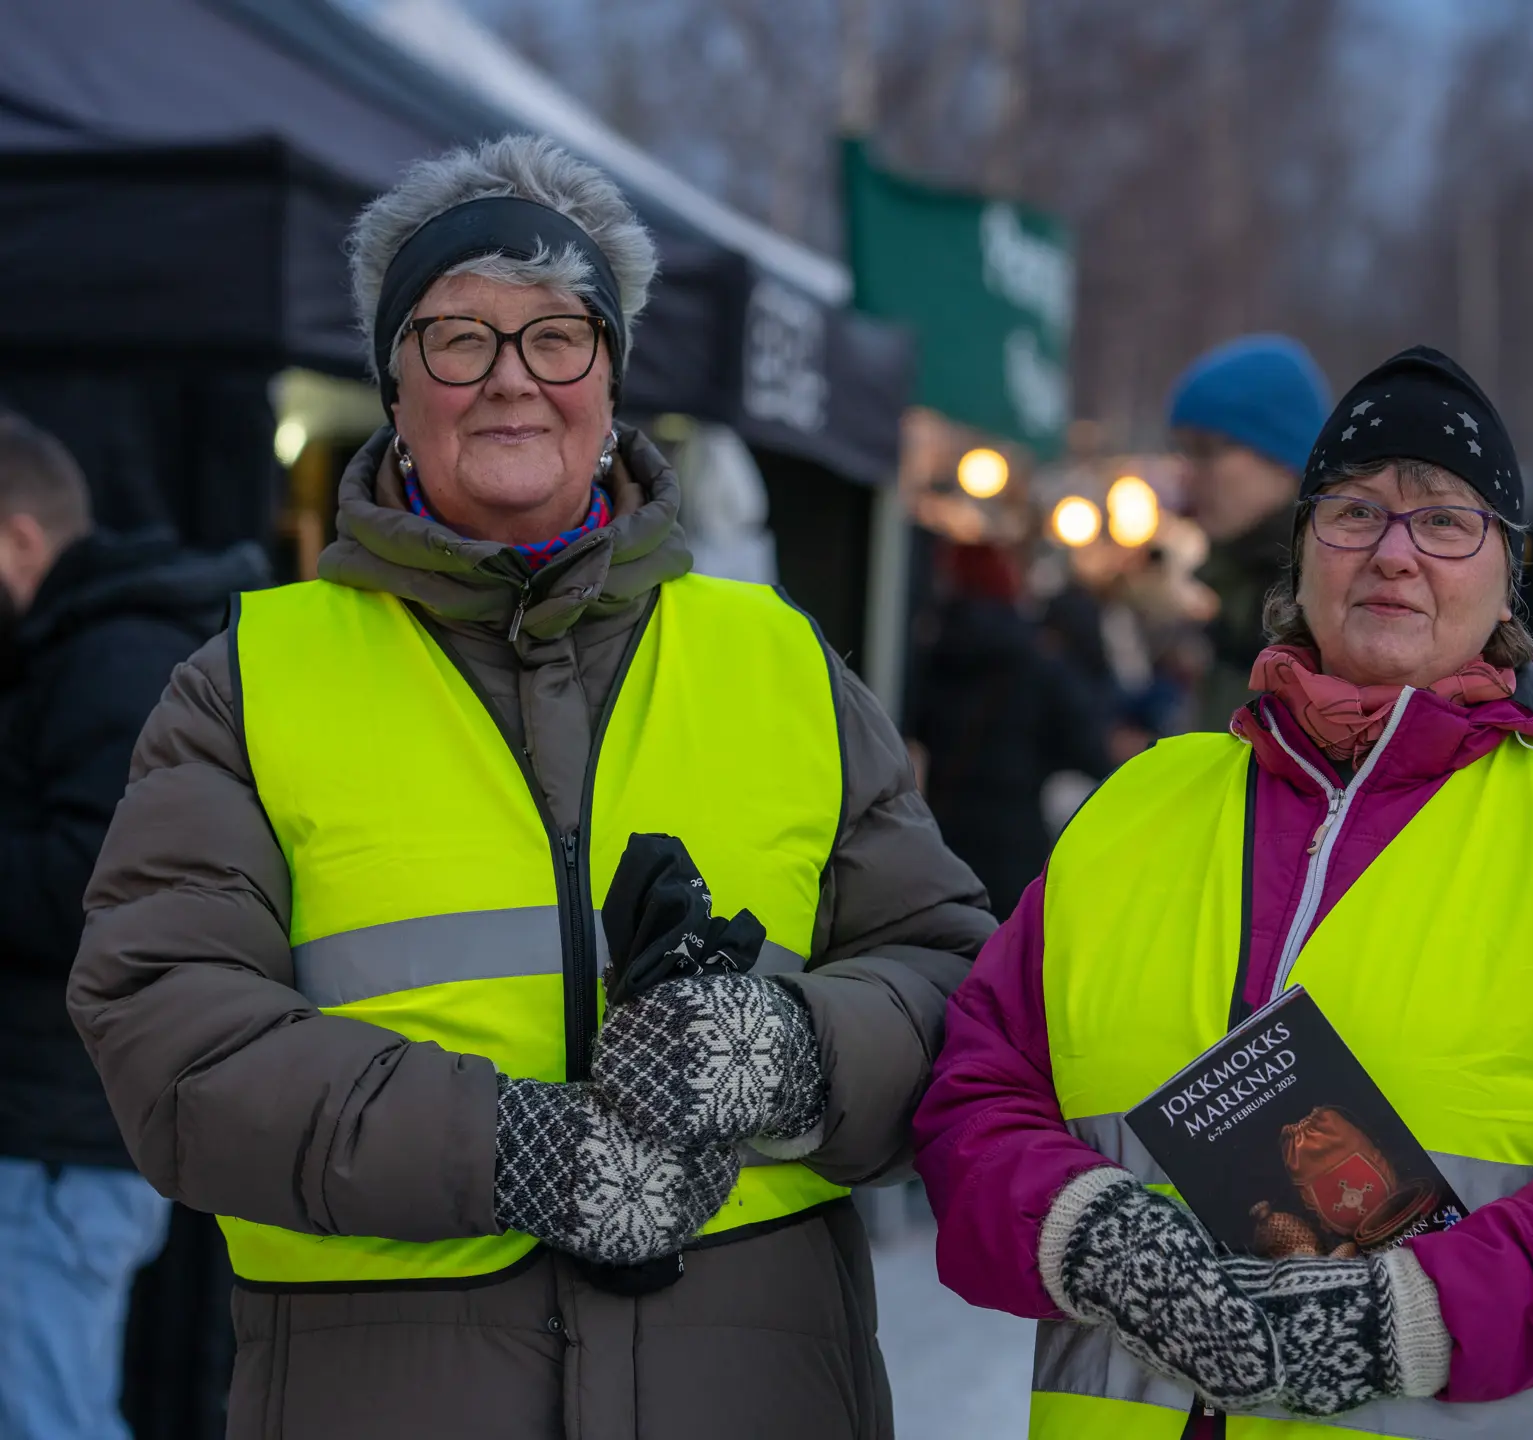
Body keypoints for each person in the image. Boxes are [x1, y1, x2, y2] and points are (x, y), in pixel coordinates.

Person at [67, 135, 994, 1440]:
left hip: (753, 1386)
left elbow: (959, 984)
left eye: (558, 337)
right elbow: (169, 1036)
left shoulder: (779, 663)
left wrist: (780, 1054)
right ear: (395, 379)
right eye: (457, 339)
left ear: (611, 376)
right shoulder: (248, 685)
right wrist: (515, 1151)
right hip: (387, 1393)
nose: (511, 381)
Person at [914, 346, 1533, 1436]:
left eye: (1447, 520)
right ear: (1302, 553)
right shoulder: (1139, 808)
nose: (1394, 553)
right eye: (1355, 511)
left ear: (1507, 572)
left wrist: (1420, 1311)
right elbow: (975, 1087)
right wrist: (1083, 1232)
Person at [0, 414, 263, 1439]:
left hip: (53, 1140)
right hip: (57, 1135)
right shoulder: (87, 649)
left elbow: (91, 886)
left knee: (42, 1418)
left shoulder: (112, 659)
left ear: (21, 538)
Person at [909, 541, 1115, 919]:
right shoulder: (1035, 661)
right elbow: (1088, 747)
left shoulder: (931, 652)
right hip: (1013, 844)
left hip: (944, 836)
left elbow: (912, 725)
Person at [1168, 335, 1331, 728]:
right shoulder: (1238, 599)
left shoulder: (1327, 615)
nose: (1186, 476)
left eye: (1205, 450)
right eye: (1183, 451)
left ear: (1284, 459)